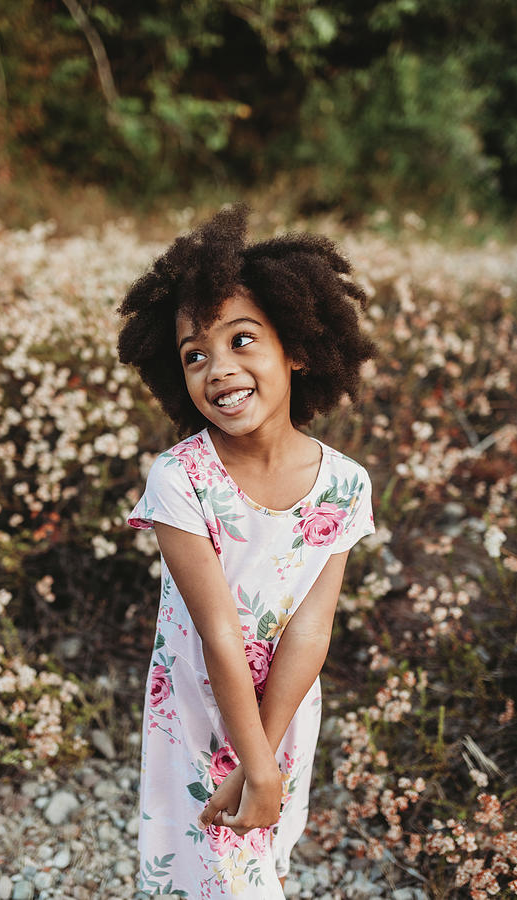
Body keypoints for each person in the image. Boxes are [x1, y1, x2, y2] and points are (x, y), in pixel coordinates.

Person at [117, 203, 378, 899]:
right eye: (194, 355)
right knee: (217, 871)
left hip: (284, 710)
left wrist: (267, 752)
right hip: (202, 709)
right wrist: (251, 764)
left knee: (260, 856)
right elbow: (217, 634)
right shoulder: (181, 479)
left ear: (295, 346)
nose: (218, 368)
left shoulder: (344, 485)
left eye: (242, 340)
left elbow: (310, 627)